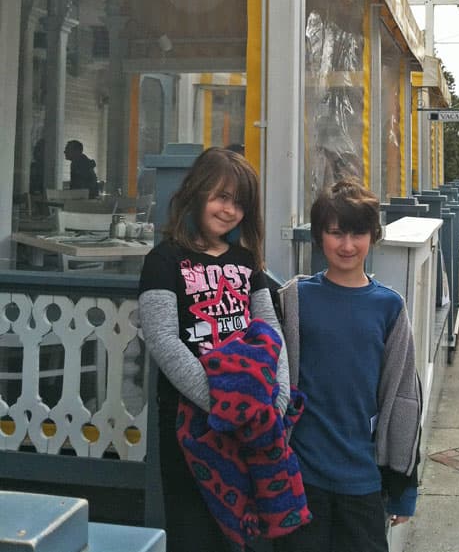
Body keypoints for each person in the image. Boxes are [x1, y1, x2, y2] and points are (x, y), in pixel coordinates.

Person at [138, 147, 295, 552]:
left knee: (240, 534)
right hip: (191, 420)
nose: (229, 210)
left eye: (239, 203)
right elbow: (163, 341)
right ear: (197, 192)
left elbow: (269, 330)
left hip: (251, 421)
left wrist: (278, 398)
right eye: (221, 197)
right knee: (193, 533)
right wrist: (224, 405)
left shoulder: (246, 261)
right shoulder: (164, 259)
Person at [273, 180, 422, 552]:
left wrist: (403, 485)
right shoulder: (294, 299)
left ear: (374, 236)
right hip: (301, 477)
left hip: (363, 479)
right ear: (319, 236)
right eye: (336, 233)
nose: (347, 245)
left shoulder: (389, 307)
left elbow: (403, 396)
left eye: (357, 233)